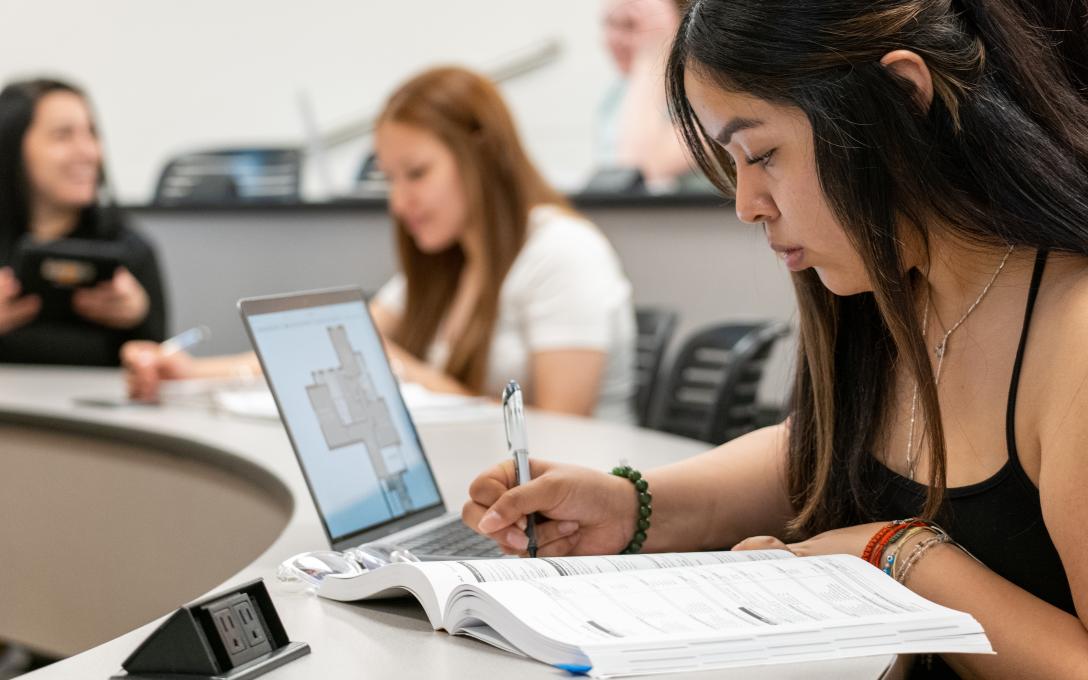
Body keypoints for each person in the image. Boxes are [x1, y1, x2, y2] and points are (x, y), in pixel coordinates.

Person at [464, 1, 1088, 677]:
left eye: (761, 153)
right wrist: (631, 507)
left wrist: (895, 557)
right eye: (734, 163)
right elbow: (827, 448)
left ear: (903, 99)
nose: (746, 203)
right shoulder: (891, 285)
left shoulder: (1073, 333)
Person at [125, 67, 637, 423]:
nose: (399, 202)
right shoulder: (448, 263)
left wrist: (410, 374)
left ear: (483, 153)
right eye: (390, 179)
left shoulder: (563, 253)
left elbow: (559, 433)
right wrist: (191, 373)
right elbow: (324, 348)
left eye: (416, 173)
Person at [0, 78, 166, 366]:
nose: (88, 152)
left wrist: (139, 317)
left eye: (91, 133)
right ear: (12, 144)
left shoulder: (128, 250)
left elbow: (159, 363)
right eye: (63, 135)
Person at [596, 0, 696, 190]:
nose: (614, 39)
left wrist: (652, 55)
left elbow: (634, 172)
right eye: (608, 23)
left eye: (630, 25)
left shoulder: (710, 96)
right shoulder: (616, 95)